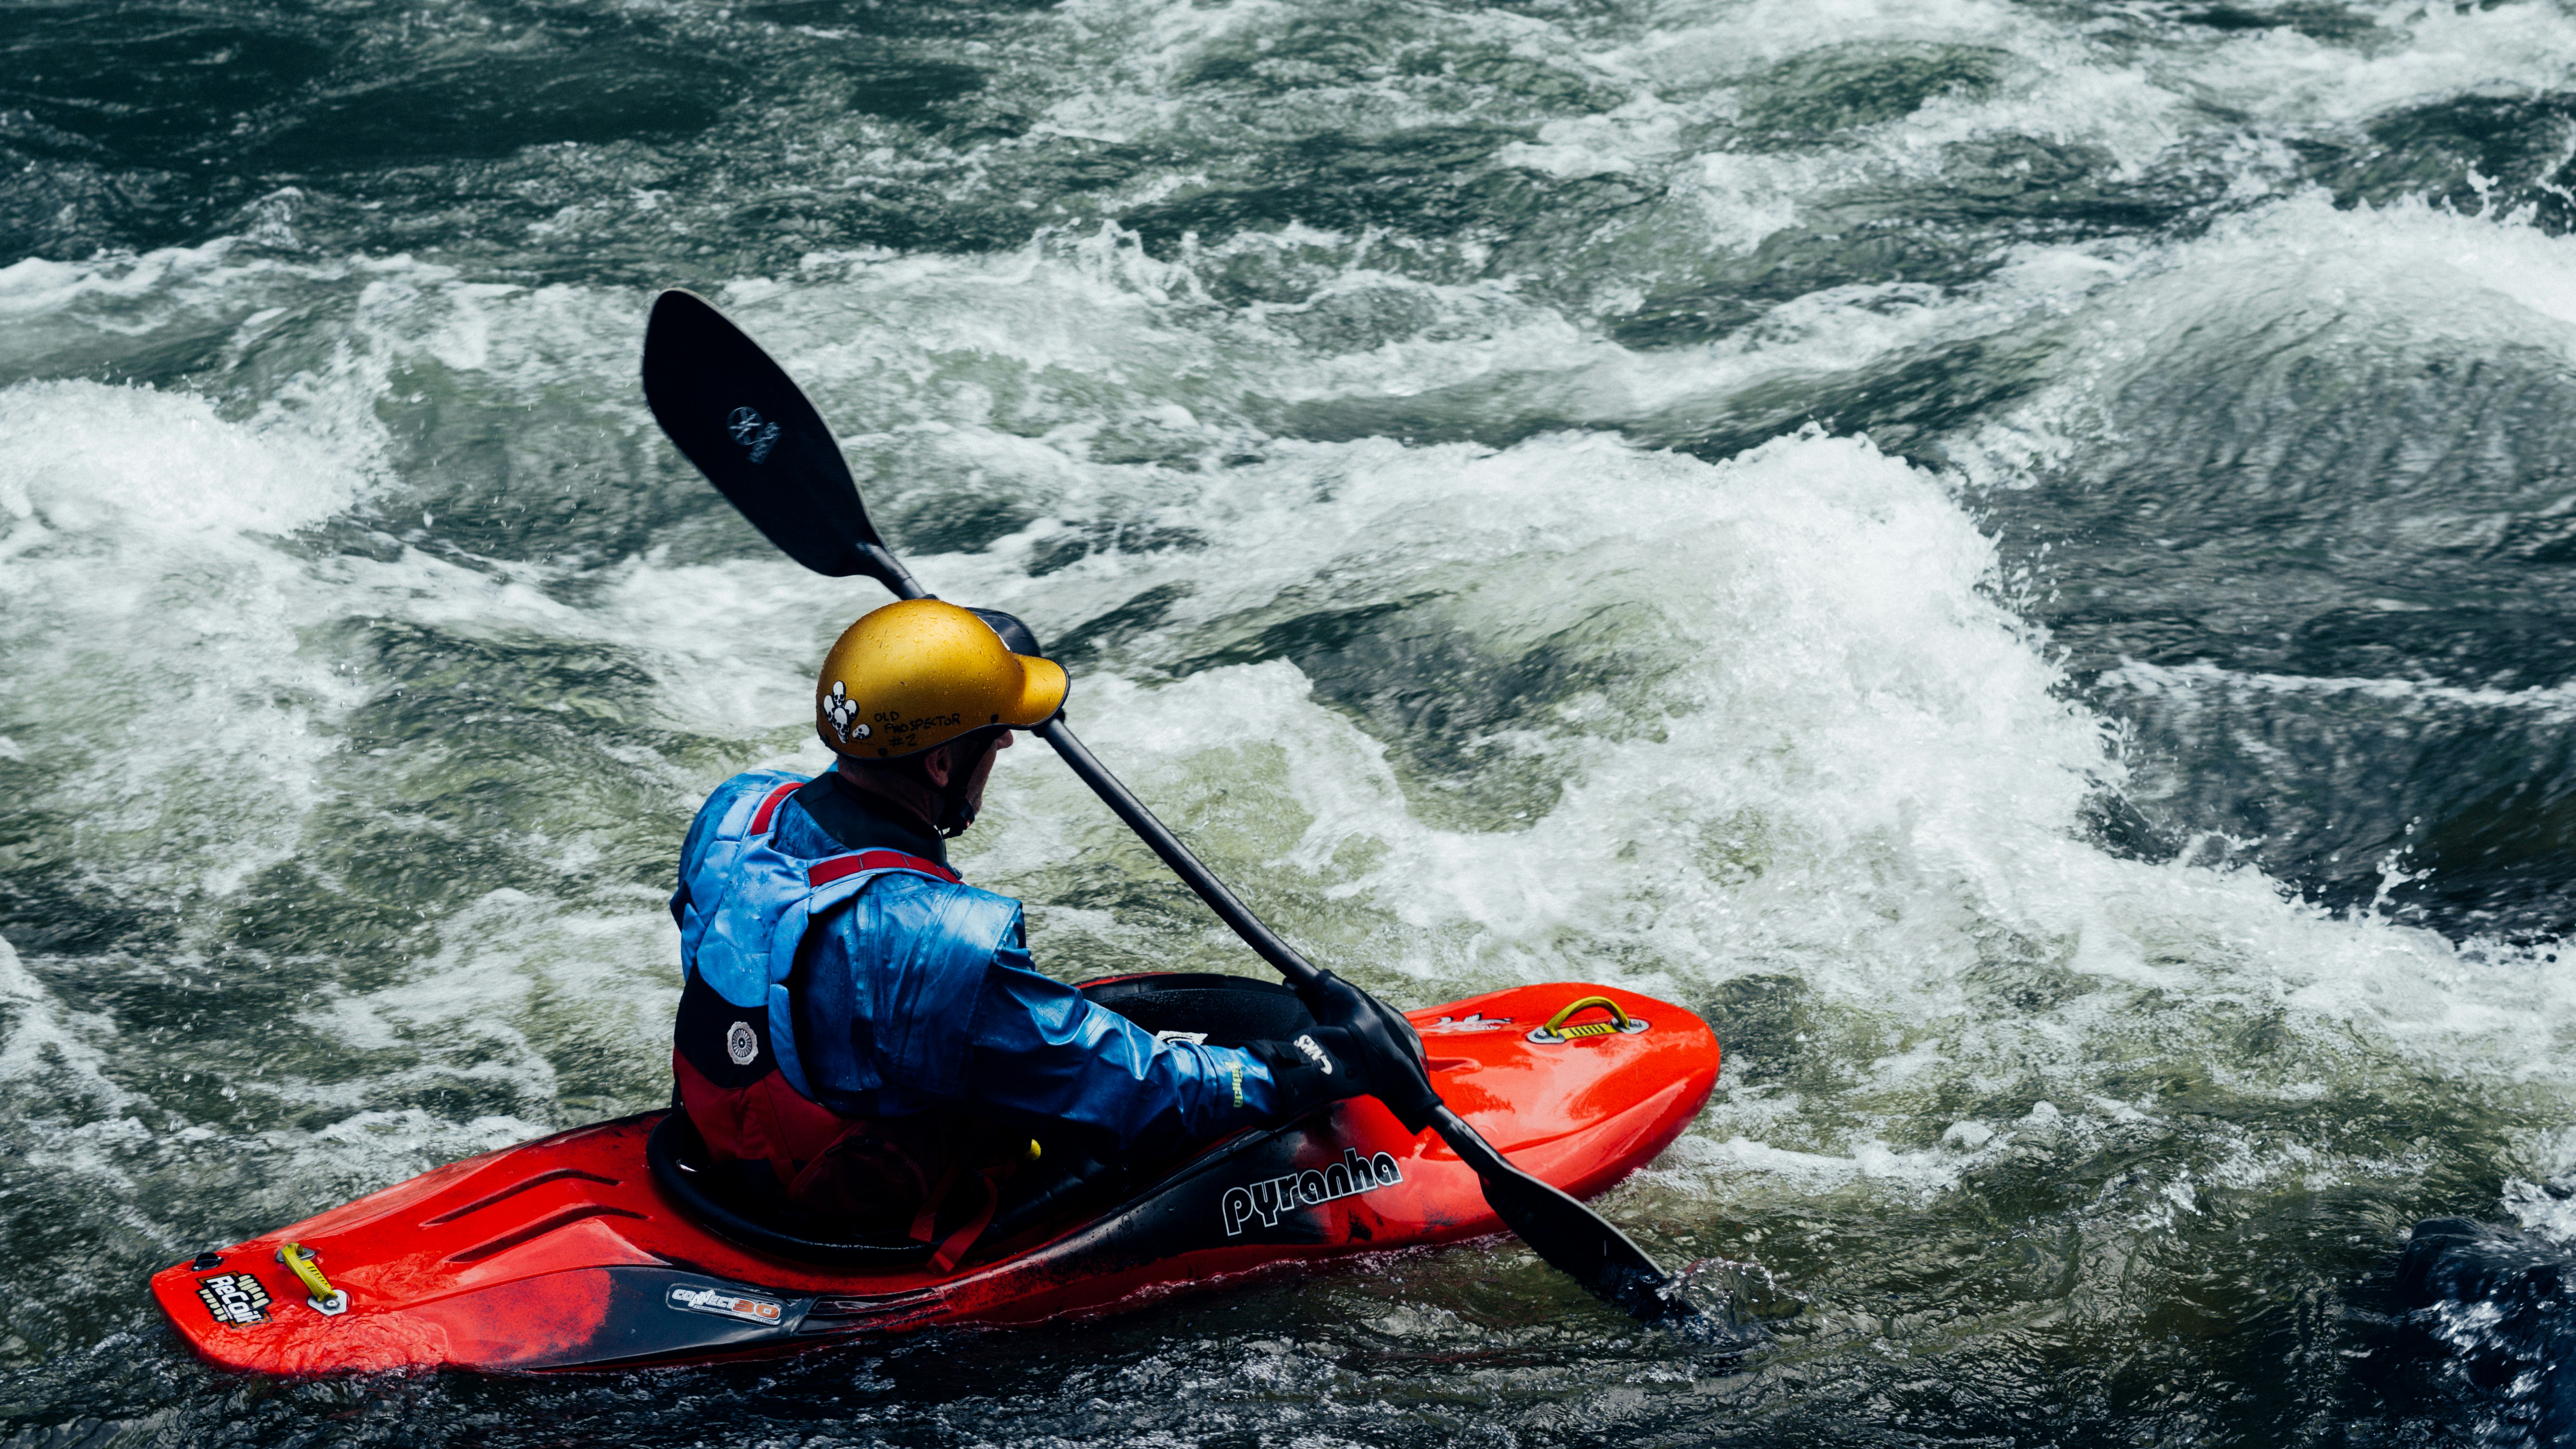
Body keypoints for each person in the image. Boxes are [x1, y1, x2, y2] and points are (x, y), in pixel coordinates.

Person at [667, 598, 1389, 1268]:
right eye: (994, 736)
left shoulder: (738, 813)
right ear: (941, 763)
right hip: (854, 1205)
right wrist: (1291, 1074)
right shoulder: (934, 941)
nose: (1008, 743)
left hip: (730, 1146)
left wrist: (967, 662)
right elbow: (1133, 1093)